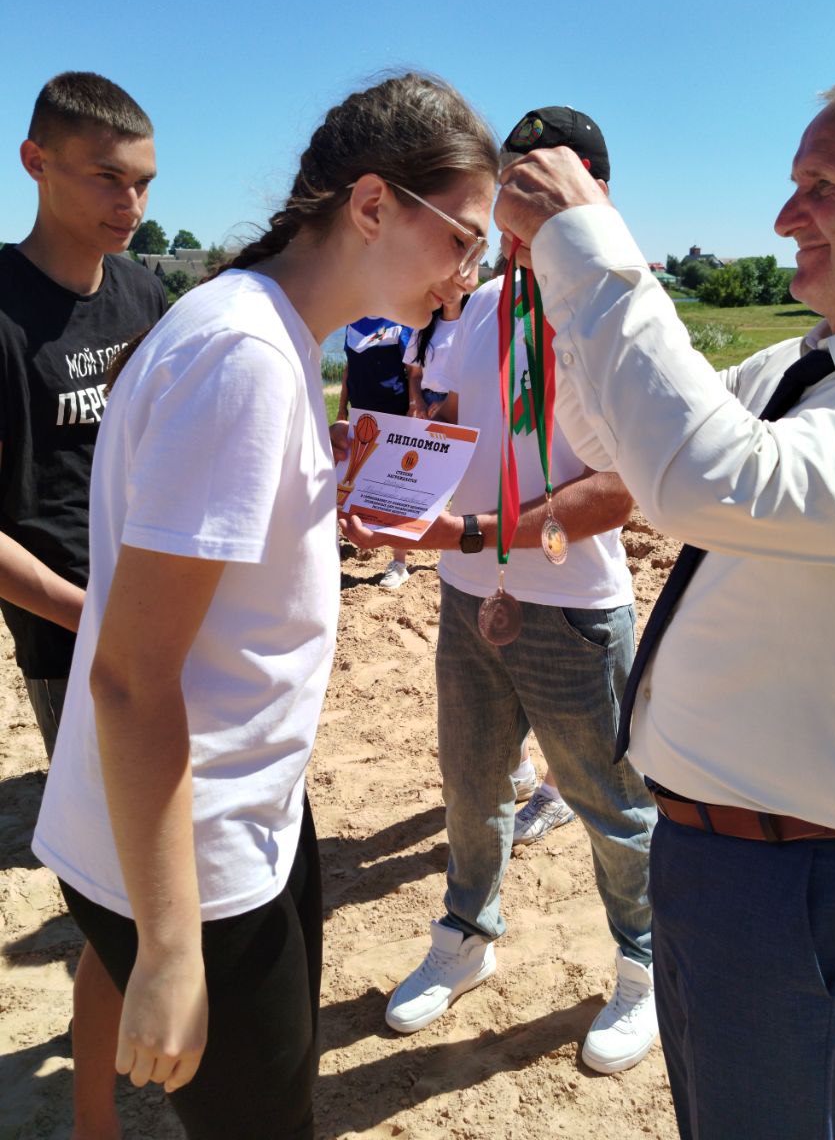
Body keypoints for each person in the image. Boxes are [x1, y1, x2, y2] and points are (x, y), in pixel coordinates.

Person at [495, 60, 835, 1139]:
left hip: (802, 877)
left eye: (821, 187)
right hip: (724, 853)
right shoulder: (814, 365)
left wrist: (587, 243)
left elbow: (710, 481)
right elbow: (624, 444)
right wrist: (559, 285)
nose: (787, 217)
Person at [32, 71, 498, 1140]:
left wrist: (317, 479)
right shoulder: (243, 355)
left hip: (242, 808)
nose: (467, 278)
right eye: (462, 240)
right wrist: (168, 947)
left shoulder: (257, 332)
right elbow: (130, 675)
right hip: (194, 849)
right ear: (372, 205)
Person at [343, 107, 658, 1075]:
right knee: (472, 785)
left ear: (593, 193)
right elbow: (443, 427)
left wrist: (475, 529)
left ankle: (647, 960)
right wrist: (388, 475)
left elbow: (625, 489)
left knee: (613, 805)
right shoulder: (478, 307)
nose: (511, 220)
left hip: (574, 605)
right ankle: (467, 933)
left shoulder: (616, 313)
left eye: (535, 193)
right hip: (465, 595)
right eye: (508, 194)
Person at [0, 70, 166, 1139]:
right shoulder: (4, 312)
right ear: (36, 163)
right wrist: (88, 615)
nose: (131, 203)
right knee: (114, 895)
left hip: (169, 621)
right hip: (76, 644)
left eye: (144, 182)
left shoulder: (145, 294)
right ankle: (95, 1122)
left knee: (171, 871)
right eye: (109, 178)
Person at [338, 316, 414, 587]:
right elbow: (349, 370)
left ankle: (399, 563)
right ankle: (344, 541)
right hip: (360, 417)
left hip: (395, 414)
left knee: (395, 488)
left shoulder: (399, 321)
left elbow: (413, 370)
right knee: (350, 484)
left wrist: (413, 405)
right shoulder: (352, 322)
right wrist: (341, 409)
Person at [404, 288, 470, 420]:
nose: (448, 289)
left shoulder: (472, 326)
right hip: (425, 405)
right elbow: (414, 374)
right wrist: (416, 402)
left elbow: (476, 379)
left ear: (465, 288)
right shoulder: (424, 327)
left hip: (460, 406)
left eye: (454, 284)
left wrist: (448, 405)